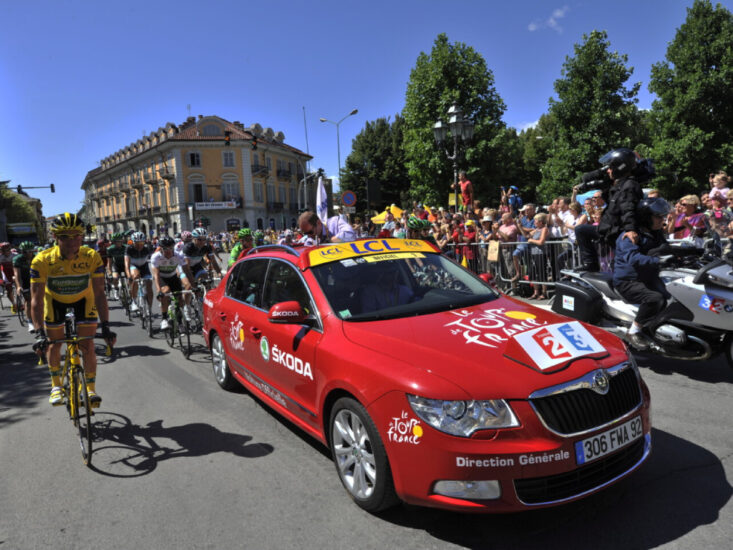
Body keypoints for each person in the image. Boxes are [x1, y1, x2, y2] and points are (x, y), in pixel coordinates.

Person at [31, 213, 115, 406]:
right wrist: (38, 333)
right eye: (65, 236)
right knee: (54, 344)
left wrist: (106, 325)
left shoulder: (91, 256)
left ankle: (90, 389)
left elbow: (100, 293)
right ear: (55, 238)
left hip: (83, 302)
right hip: (55, 303)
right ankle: (56, 386)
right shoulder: (42, 260)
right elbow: (36, 299)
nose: (72, 241)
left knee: (88, 346)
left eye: (76, 235)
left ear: (82, 236)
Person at [612, 198, 671, 350]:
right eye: (658, 216)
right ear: (646, 217)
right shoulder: (629, 236)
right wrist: (657, 261)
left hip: (647, 278)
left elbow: (666, 248)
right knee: (655, 298)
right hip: (628, 281)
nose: (662, 220)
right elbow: (633, 258)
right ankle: (634, 331)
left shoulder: (655, 234)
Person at [574, 148, 645, 272]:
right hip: (609, 229)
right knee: (581, 230)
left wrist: (630, 229)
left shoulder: (629, 185)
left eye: (610, 168)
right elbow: (591, 182)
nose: (607, 170)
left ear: (620, 168)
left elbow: (628, 207)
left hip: (617, 232)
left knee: (622, 268)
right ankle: (591, 264)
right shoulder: (618, 185)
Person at [151, 236, 194, 330]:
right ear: (160, 249)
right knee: (165, 291)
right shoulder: (156, 257)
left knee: (179, 298)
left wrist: (193, 286)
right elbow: (156, 275)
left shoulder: (178, 255)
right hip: (162, 277)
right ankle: (164, 319)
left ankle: (179, 321)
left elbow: (187, 271)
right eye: (165, 249)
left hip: (173, 276)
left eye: (171, 248)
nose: (168, 251)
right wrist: (159, 291)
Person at [125, 231, 153, 313]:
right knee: (136, 276)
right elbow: (127, 264)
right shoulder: (129, 249)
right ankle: (133, 301)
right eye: (136, 243)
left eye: (141, 243)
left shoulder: (147, 248)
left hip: (144, 267)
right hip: (133, 266)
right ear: (132, 242)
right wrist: (129, 275)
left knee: (149, 286)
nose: (139, 245)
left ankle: (149, 308)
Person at [13, 241, 36, 332]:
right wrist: (18, 286)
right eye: (24, 252)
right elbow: (17, 274)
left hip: (36, 278)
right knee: (28, 300)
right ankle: (30, 322)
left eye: (30, 251)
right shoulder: (17, 259)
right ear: (21, 252)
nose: (27, 254)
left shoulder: (37, 257)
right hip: (24, 279)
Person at [105, 232, 127, 300]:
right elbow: (109, 262)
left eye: (119, 241)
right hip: (116, 265)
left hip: (125, 265)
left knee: (130, 279)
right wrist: (109, 272)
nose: (118, 243)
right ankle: (116, 290)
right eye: (116, 242)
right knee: (115, 278)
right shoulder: (110, 249)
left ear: (121, 241)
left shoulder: (126, 247)